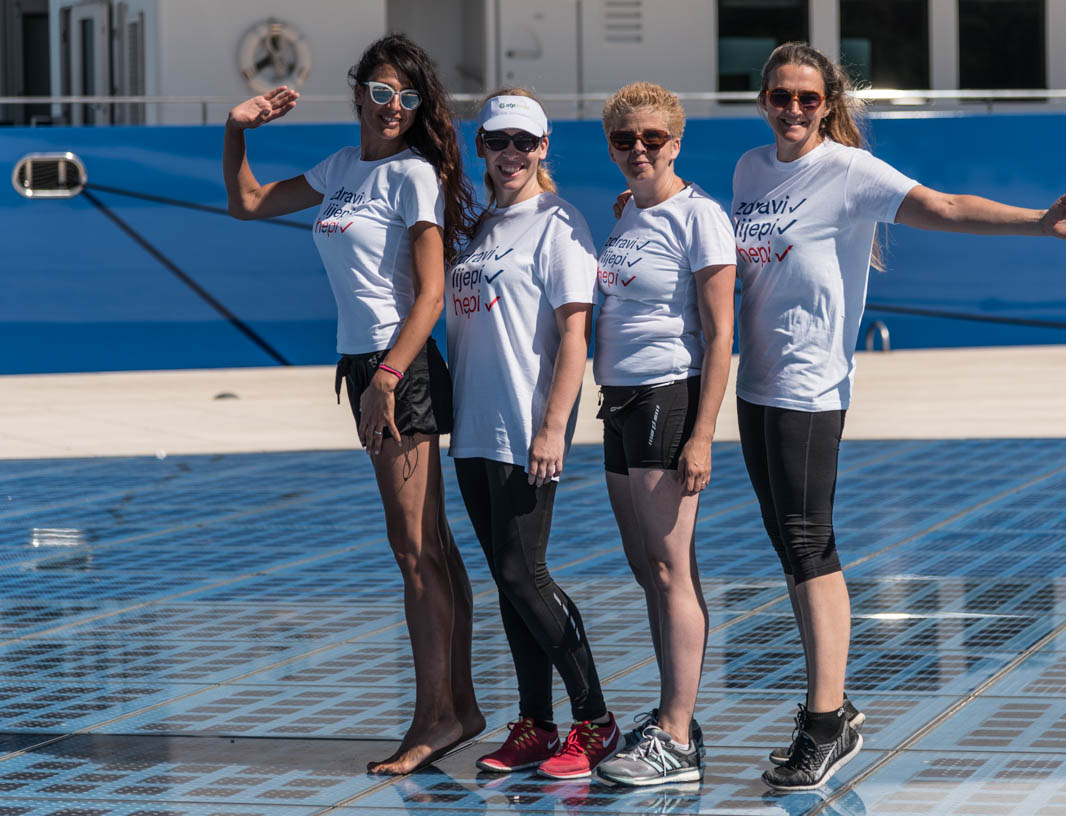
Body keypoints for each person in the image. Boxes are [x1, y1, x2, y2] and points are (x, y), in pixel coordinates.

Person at [736, 42, 1066, 792]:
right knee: (788, 549)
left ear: (827, 104)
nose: (794, 109)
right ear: (763, 100)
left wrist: (1040, 223)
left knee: (810, 547)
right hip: (757, 387)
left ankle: (826, 718)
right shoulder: (748, 170)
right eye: (781, 96)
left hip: (810, 389)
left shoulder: (847, 170)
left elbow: (942, 206)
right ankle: (826, 712)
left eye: (808, 98)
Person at [221, 34, 484, 775]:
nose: (394, 107)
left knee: (415, 551)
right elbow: (245, 204)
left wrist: (388, 379)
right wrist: (239, 129)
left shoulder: (414, 177)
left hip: (398, 367)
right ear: (358, 93)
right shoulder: (340, 168)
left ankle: (435, 717)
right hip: (363, 363)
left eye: (408, 97)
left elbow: (430, 294)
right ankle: (455, 708)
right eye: (381, 92)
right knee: (426, 546)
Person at [448, 89, 620, 781]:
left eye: (524, 142)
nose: (510, 154)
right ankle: (536, 723)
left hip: (523, 427)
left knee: (526, 571)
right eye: (497, 142)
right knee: (507, 581)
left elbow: (576, 333)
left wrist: (553, 427)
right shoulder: (476, 223)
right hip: (472, 428)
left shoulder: (559, 224)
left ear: (543, 147)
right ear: (480, 149)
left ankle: (596, 720)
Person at [588, 82, 736, 788]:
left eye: (652, 139)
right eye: (625, 140)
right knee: (647, 567)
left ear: (675, 143)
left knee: (673, 567)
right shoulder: (625, 214)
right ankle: (671, 716)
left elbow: (719, 334)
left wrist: (703, 433)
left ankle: (675, 736)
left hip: (665, 400)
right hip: (618, 404)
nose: (638, 150)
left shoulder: (698, 217)